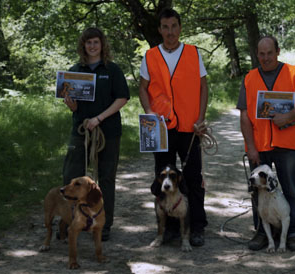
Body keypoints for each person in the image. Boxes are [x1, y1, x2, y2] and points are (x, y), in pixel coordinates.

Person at [237, 36, 295, 251]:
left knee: (290, 190)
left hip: (288, 145)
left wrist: (289, 116)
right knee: (257, 191)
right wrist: (250, 146)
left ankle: (294, 233)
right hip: (259, 146)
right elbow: (244, 115)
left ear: (278, 51)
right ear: (257, 54)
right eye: (261, 54)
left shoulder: (293, 73)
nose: (265, 58)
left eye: (269, 53)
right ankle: (262, 233)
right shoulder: (249, 78)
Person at [139, 8, 209, 246]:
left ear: (180, 28)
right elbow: (143, 88)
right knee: (162, 178)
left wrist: (200, 118)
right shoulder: (149, 56)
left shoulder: (193, 53)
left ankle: (197, 225)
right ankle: (167, 228)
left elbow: (203, 87)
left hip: (190, 128)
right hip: (160, 127)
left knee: (193, 177)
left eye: (174, 27)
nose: (170, 32)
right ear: (159, 30)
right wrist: (149, 113)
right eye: (165, 27)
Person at [63, 27, 130, 241]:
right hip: (80, 131)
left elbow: (122, 98)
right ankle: (68, 221)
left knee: (106, 178)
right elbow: (75, 107)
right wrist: (71, 104)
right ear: (83, 45)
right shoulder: (75, 71)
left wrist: (99, 118)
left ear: (102, 45)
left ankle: (104, 224)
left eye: (96, 42)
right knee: (71, 177)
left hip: (108, 132)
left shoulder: (112, 70)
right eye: (88, 42)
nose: (92, 46)